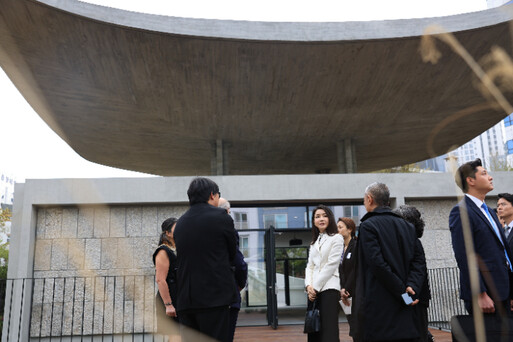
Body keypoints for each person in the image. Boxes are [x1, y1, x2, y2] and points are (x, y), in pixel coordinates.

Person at [352, 182, 425, 342]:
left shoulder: (368, 226)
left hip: (379, 309)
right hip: (405, 310)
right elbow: (418, 262)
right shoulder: (407, 226)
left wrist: (403, 293)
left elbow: (378, 265)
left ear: (369, 199)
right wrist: (410, 289)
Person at [174, 177, 238, 342]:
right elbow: (232, 253)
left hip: (186, 300)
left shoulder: (180, 222)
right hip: (214, 297)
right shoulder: (221, 217)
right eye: (218, 195)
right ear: (212, 195)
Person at [449, 158, 513, 316]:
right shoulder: (461, 211)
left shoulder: (491, 212)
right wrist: (480, 293)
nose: (490, 177)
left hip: (504, 292)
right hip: (486, 295)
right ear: (470, 180)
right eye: (484, 173)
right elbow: (464, 255)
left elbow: (503, 252)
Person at [393, 205, 432, 342]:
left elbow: (417, 271)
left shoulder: (414, 243)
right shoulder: (399, 243)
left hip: (415, 299)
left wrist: (407, 297)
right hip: (406, 298)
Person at [305, 205, 344, 342]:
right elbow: (310, 266)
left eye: (324, 215)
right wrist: (308, 286)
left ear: (330, 218)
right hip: (313, 291)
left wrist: (314, 287)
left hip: (329, 288)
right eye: (317, 216)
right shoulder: (314, 242)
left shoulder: (337, 238)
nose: (321, 219)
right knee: (314, 329)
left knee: (329, 330)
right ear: (314, 221)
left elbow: (331, 265)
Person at [218, 197, 248, 342]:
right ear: (227, 212)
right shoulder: (228, 230)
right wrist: (241, 283)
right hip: (227, 292)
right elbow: (239, 262)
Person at [153, 217, 180, 340]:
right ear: (167, 233)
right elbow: (160, 280)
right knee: (176, 335)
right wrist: (168, 304)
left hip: (179, 297)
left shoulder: (177, 249)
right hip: (170, 298)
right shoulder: (163, 251)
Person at [337, 217, 357, 338]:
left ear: (349, 229)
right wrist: (341, 289)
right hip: (344, 293)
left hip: (354, 292)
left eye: (340, 228)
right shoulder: (339, 248)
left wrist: (346, 288)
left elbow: (355, 269)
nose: (337, 230)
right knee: (352, 325)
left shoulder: (356, 246)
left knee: (358, 326)